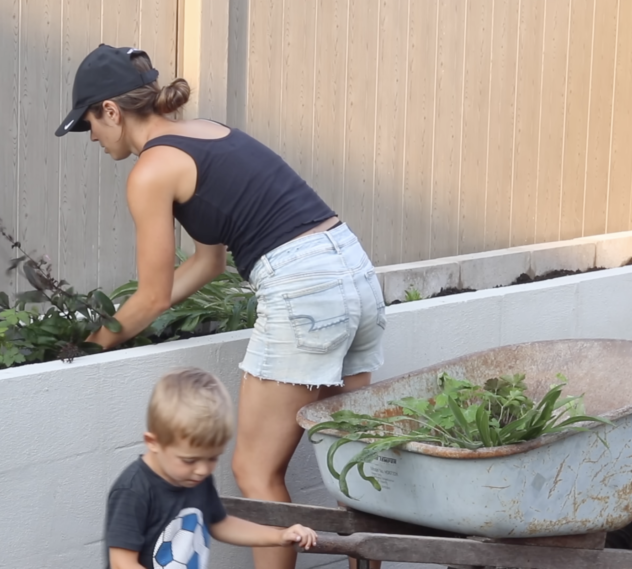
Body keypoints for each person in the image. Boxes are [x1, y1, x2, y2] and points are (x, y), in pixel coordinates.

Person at [59, 44, 387, 569]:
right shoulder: (207, 133)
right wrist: (140, 315)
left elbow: (152, 295)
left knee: (256, 473)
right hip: (354, 270)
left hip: (303, 287)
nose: (92, 137)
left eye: (90, 124)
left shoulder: (150, 172)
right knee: (350, 460)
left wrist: (90, 342)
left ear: (112, 111)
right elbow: (207, 263)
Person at [103, 368, 318, 569]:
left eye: (213, 458)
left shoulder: (196, 479)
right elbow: (122, 562)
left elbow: (220, 523)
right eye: (189, 460)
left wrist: (279, 537)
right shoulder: (133, 490)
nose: (203, 470)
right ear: (153, 442)